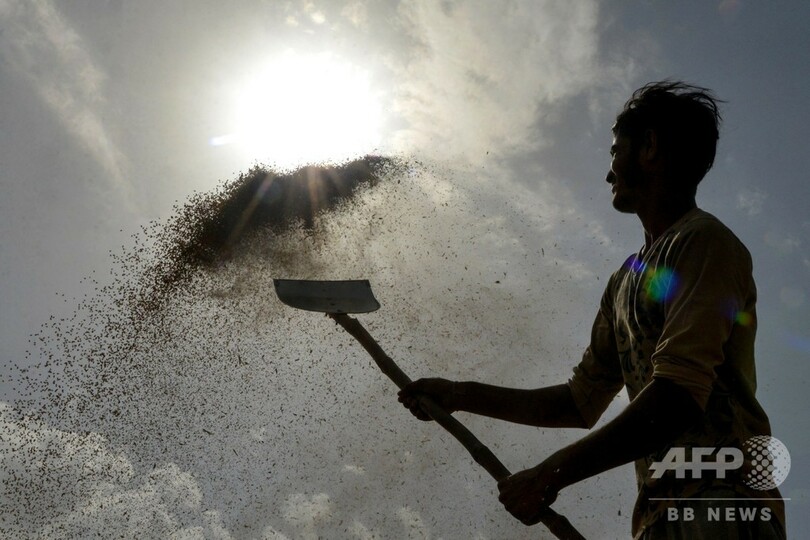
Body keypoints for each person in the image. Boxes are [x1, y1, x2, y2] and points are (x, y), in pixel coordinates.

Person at [398, 81, 786, 539]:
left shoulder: (705, 243)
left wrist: (550, 474)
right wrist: (460, 394)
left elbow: (679, 396)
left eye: (614, 152)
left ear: (649, 147)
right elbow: (579, 402)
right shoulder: (623, 282)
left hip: (723, 504)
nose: (608, 173)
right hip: (659, 518)